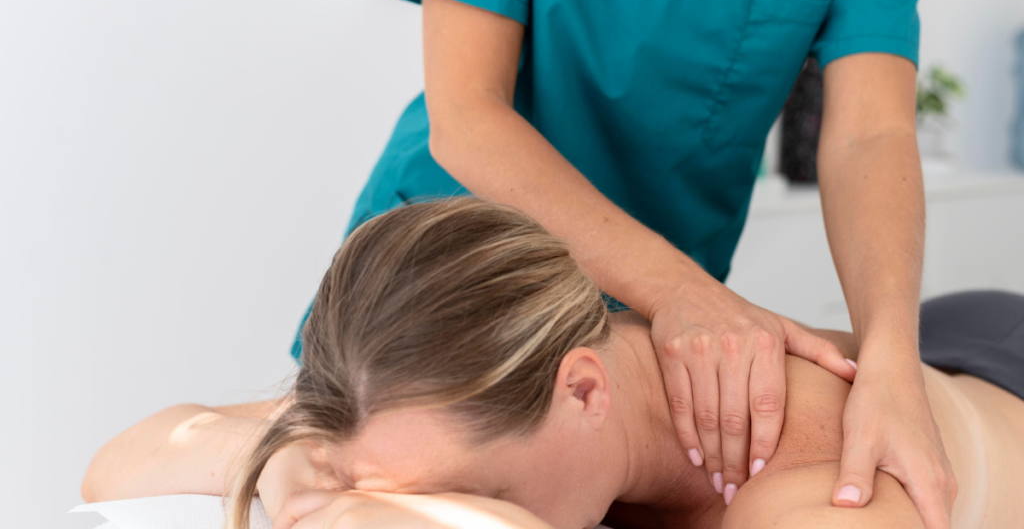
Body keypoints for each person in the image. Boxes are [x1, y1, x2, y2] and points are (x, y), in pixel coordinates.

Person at [301, 0, 948, 522]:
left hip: (651, 319)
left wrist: (892, 356)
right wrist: (678, 291)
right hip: (465, 299)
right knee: (341, 482)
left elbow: (872, 134)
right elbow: (469, 115)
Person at [84, 200, 1023, 529]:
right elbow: (123, 463)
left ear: (583, 389)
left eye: (477, 494)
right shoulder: (433, 395)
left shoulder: (808, 499)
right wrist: (295, 477)